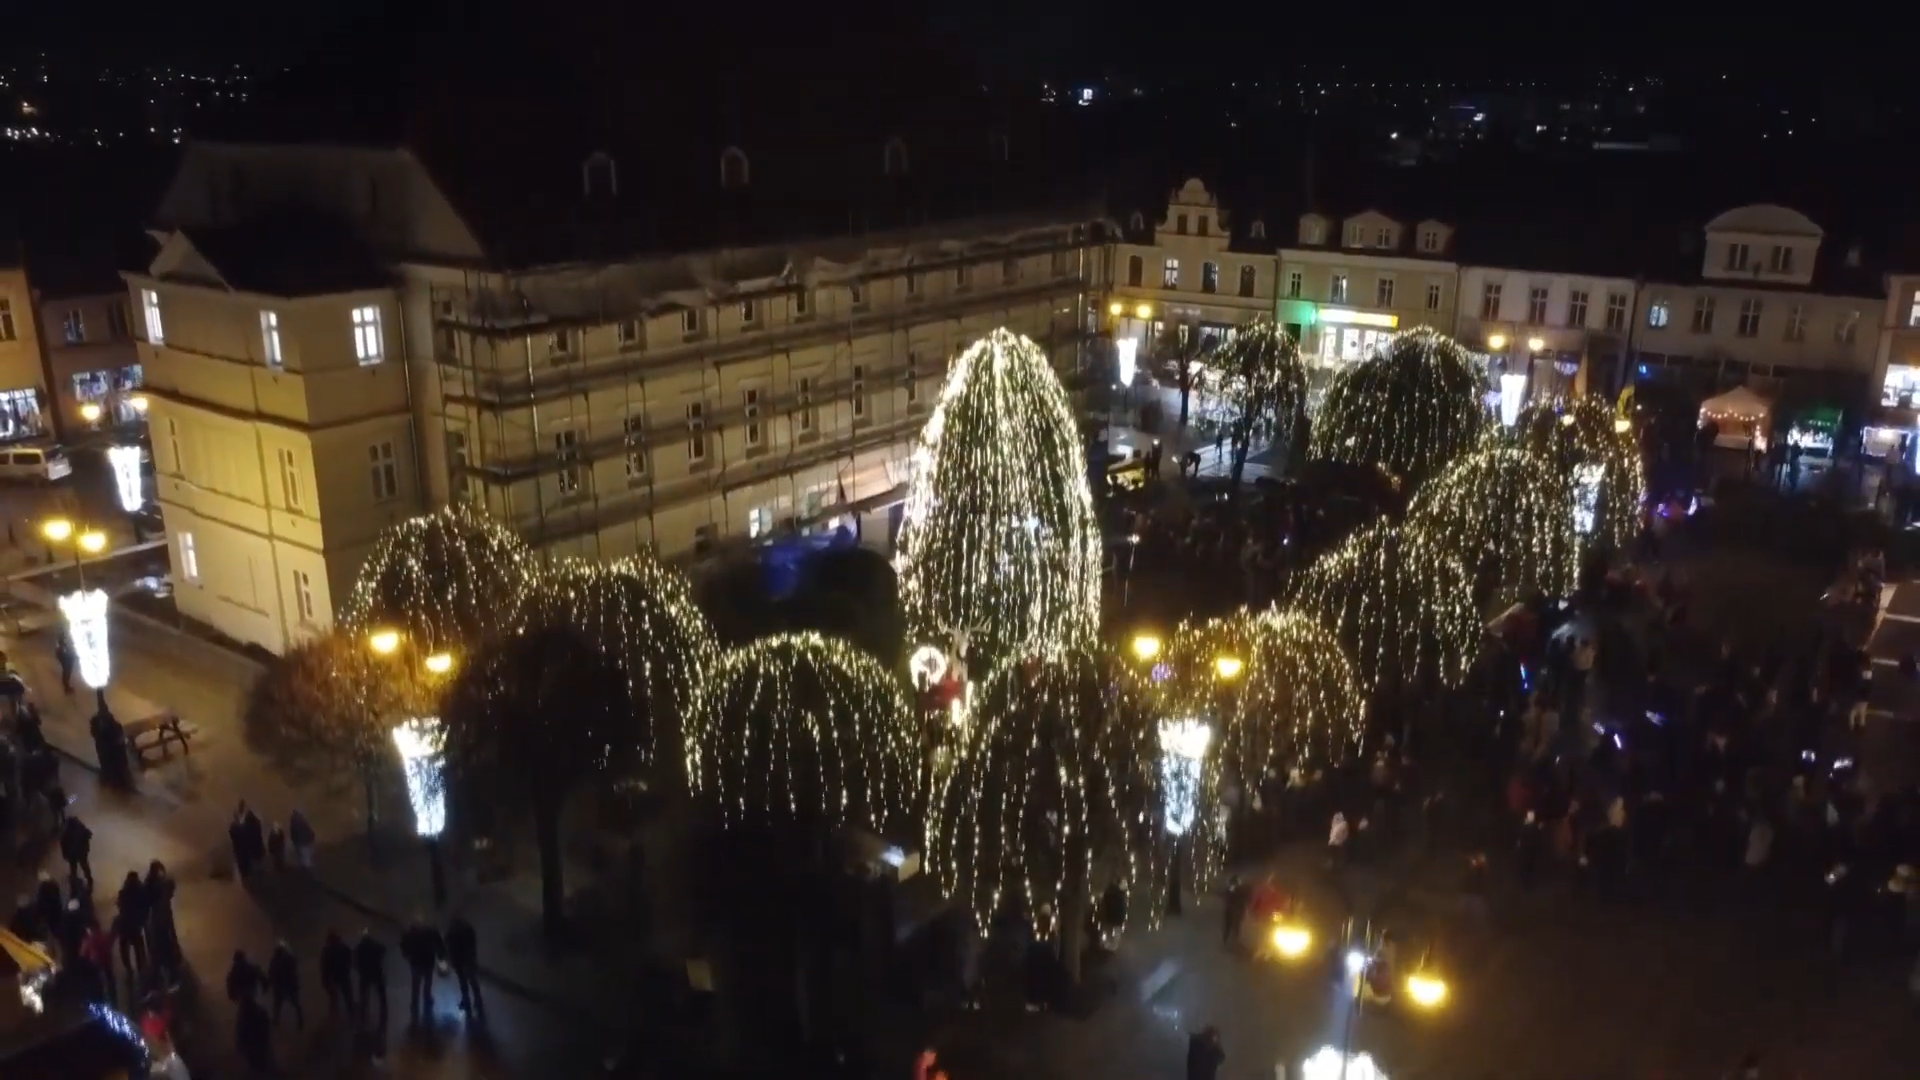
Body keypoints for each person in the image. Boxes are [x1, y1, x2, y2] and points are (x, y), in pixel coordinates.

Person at [400, 917, 445, 1023]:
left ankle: (414, 1005)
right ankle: (427, 1001)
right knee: (427, 983)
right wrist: (441, 957)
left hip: (415, 962)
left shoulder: (410, 933)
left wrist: (407, 955)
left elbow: (403, 945)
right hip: (428, 961)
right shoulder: (431, 932)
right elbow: (438, 945)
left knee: (416, 985)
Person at [445, 915, 484, 1018]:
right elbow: (472, 945)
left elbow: (448, 945)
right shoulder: (467, 930)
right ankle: (477, 1001)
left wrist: (449, 957)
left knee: (464, 982)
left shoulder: (452, 932)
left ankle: (467, 1001)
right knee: (472, 981)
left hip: (460, 960)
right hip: (467, 960)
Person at [354, 929, 389, 1028]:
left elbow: (355, 962)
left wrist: (360, 969)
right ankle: (384, 1009)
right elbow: (383, 949)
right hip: (376, 971)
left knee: (364, 993)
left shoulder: (359, 948)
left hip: (365, 973)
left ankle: (363, 1012)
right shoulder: (375, 946)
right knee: (381, 992)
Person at [268, 940, 303, 1029]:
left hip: (281, 986)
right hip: (289, 985)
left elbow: (271, 974)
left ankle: (276, 1021)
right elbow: (294, 965)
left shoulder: (275, 961)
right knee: (295, 1004)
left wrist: (271, 983)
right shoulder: (288, 959)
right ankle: (300, 1021)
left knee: (278, 1005)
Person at [236, 993, 274, 1074]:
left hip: (256, 1048)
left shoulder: (252, 1014)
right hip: (257, 1048)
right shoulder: (260, 1013)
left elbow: (241, 1034)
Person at [320, 931, 354, 1016]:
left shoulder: (326, 951)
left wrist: (325, 980)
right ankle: (351, 1015)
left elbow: (324, 967)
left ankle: (334, 1015)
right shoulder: (344, 948)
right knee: (347, 996)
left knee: (334, 998)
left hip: (333, 977)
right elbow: (350, 960)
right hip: (343, 975)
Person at [59, 814, 94, 888]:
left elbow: (63, 844)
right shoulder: (80, 829)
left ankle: (75, 882)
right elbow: (89, 834)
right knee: (84, 866)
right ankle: (89, 880)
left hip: (74, 854)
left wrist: (65, 855)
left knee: (74, 867)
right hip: (80, 852)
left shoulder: (65, 833)